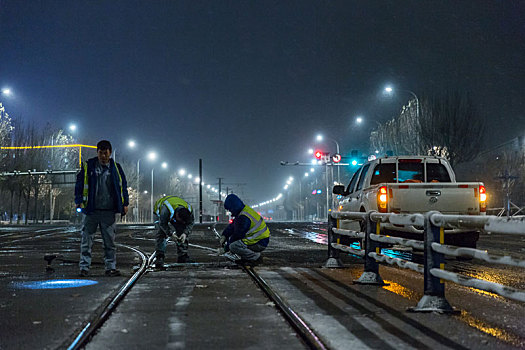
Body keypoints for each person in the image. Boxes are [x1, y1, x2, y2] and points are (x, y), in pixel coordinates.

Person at [74, 140, 129, 277]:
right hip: (91, 210)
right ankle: (84, 267)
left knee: (109, 242)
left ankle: (110, 267)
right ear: (97, 152)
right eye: (100, 153)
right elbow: (79, 185)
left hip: (108, 211)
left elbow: (123, 187)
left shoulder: (116, 168)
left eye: (105, 153)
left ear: (110, 153)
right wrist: (78, 201)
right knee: (86, 240)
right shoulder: (88, 166)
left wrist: (125, 203)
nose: (103, 156)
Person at [219, 194, 270, 265]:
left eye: (230, 209)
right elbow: (233, 226)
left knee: (234, 246)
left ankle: (255, 257)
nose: (230, 212)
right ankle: (246, 258)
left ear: (233, 207)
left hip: (260, 242)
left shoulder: (243, 217)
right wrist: (224, 235)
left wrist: (226, 248)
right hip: (260, 239)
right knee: (236, 244)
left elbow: (237, 235)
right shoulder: (244, 211)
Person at [153, 195, 194, 267]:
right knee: (161, 233)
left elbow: (190, 223)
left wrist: (185, 233)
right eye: (180, 220)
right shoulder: (166, 210)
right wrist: (170, 234)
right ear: (177, 215)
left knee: (181, 230)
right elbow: (163, 224)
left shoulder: (189, 210)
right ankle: (159, 256)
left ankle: (183, 256)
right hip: (159, 214)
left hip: (173, 213)